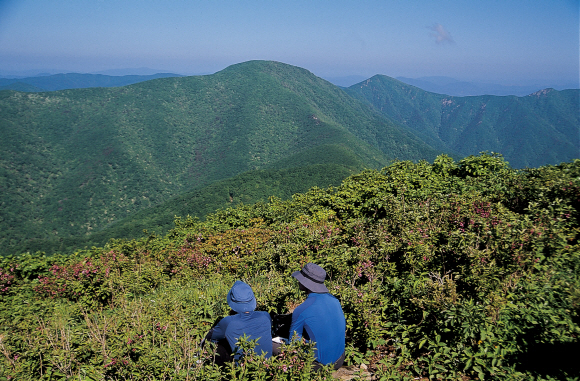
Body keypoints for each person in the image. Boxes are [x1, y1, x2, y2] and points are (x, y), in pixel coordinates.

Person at [277, 263, 346, 370]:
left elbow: (294, 344)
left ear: (306, 283)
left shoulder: (302, 309)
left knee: (272, 345)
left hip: (319, 366)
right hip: (340, 360)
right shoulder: (335, 300)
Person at [206, 280, 272, 365]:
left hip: (243, 368)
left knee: (217, 346)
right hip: (267, 366)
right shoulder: (265, 316)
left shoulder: (228, 322)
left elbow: (210, 338)